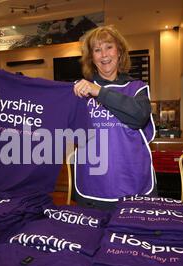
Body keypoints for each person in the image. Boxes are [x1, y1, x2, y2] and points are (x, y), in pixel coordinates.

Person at [72, 25, 156, 210]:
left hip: (133, 183)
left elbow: (139, 117)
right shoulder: (80, 91)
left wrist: (98, 92)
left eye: (109, 47)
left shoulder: (137, 88)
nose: (104, 55)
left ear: (119, 52)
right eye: (97, 50)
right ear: (91, 59)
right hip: (92, 186)